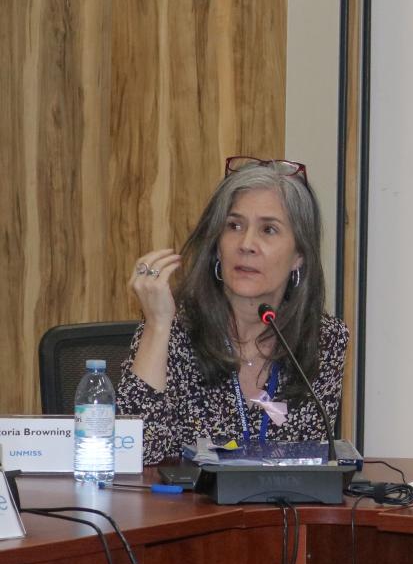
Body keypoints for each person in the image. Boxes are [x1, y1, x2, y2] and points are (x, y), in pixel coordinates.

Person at [118, 157, 349, 464]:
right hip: (187, 498)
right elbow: (132, 454)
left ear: (299, 255)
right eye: (234, 226)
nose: (246, 244)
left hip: (279, 498)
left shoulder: (323, 339)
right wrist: (157, 325)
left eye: (268, 230)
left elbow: (310, 463)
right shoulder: (174, 329)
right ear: (217, 245)